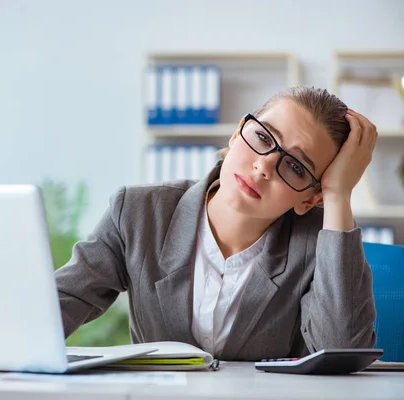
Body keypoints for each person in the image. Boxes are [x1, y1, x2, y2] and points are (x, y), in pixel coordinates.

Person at [55, 86, 377, 361]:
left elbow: (341, 353)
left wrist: (338, 195)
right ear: (237, 134)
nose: (263, 165)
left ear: (310, 199)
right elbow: (48, 312)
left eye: (294, 166)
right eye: (263, 137)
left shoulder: (317, 245)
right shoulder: (137, 214)